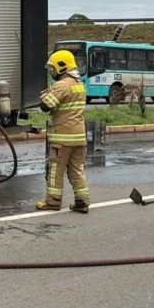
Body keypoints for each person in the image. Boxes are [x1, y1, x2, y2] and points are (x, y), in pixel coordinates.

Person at [35, 50, 90, 213]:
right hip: (79, 136)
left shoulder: (62, 84)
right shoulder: (79, 85)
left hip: (62, 137)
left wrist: (47, 95)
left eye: (53, 68)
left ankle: (53, 201)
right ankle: (82, 201)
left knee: (55, 170)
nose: (52, 72)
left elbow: (45, 106)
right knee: (76, 169)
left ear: (61, 67)